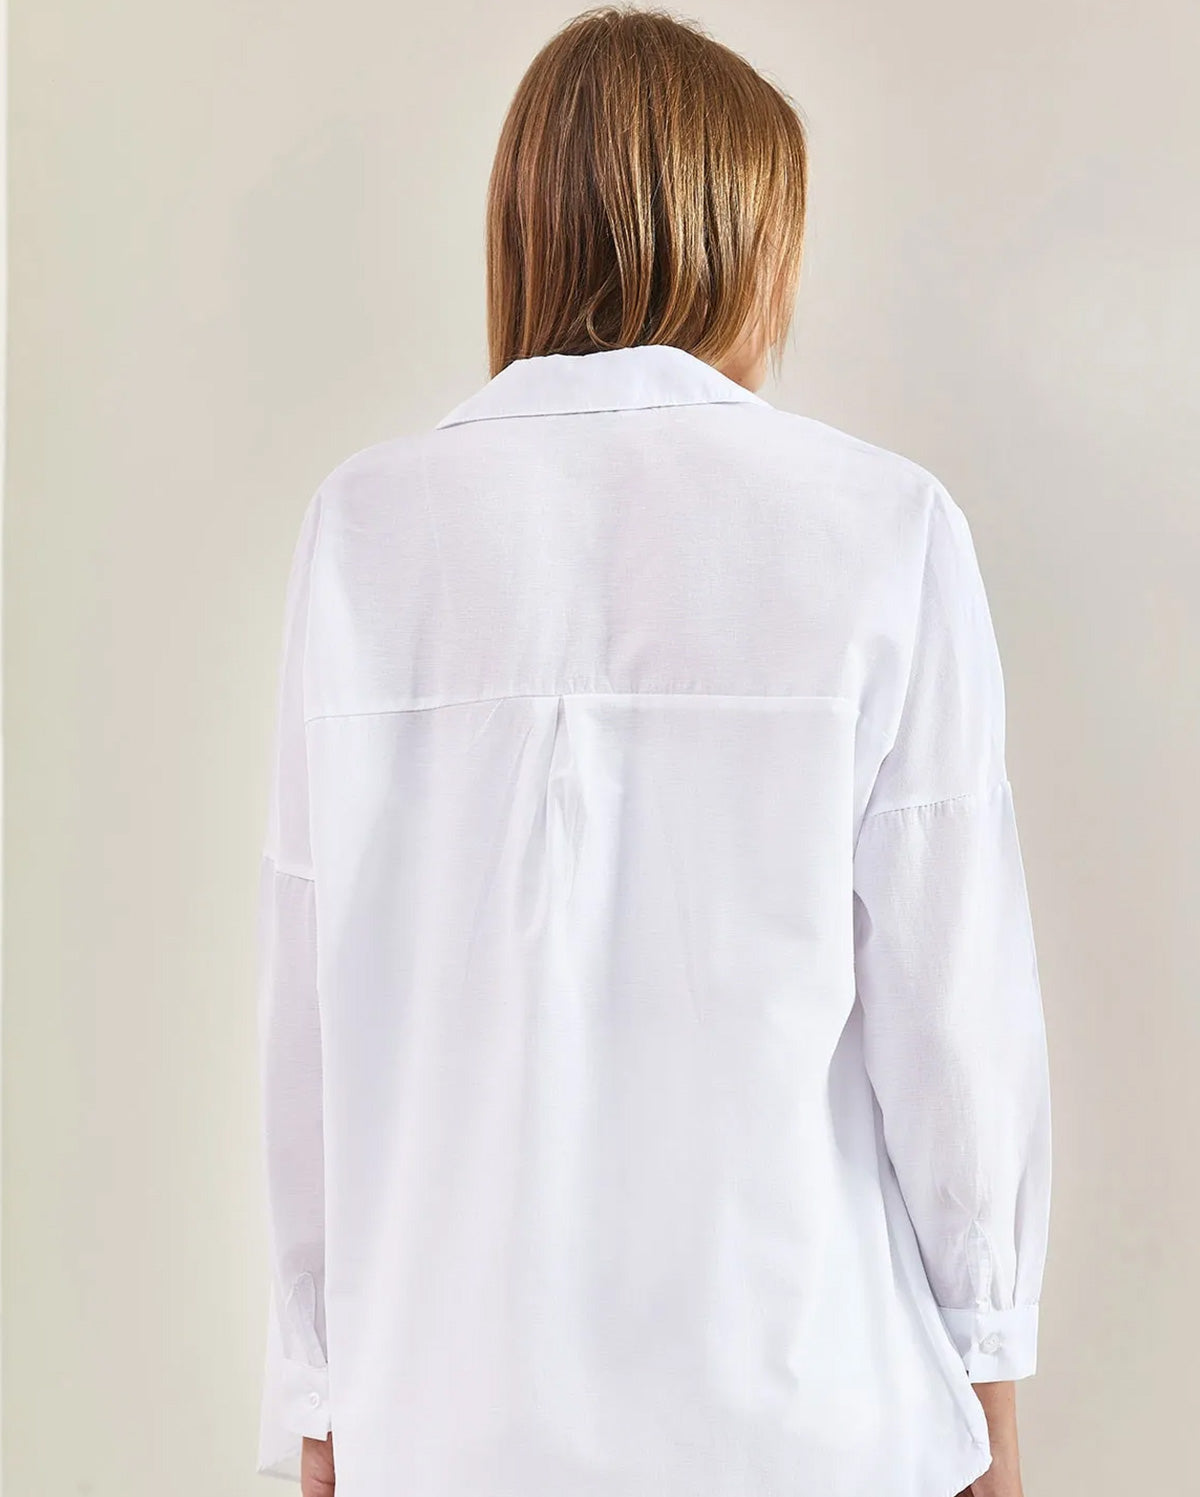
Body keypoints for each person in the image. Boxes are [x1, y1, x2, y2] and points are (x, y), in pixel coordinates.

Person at [253, 8, 1051, 1497]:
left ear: (523, 232)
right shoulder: (882, 530)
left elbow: (314, 1006)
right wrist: (993, 1408)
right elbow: (954, 1027)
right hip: (806, 1415)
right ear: (748, 242)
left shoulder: (365, 532)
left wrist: (320, 1406)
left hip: (448, 1423)